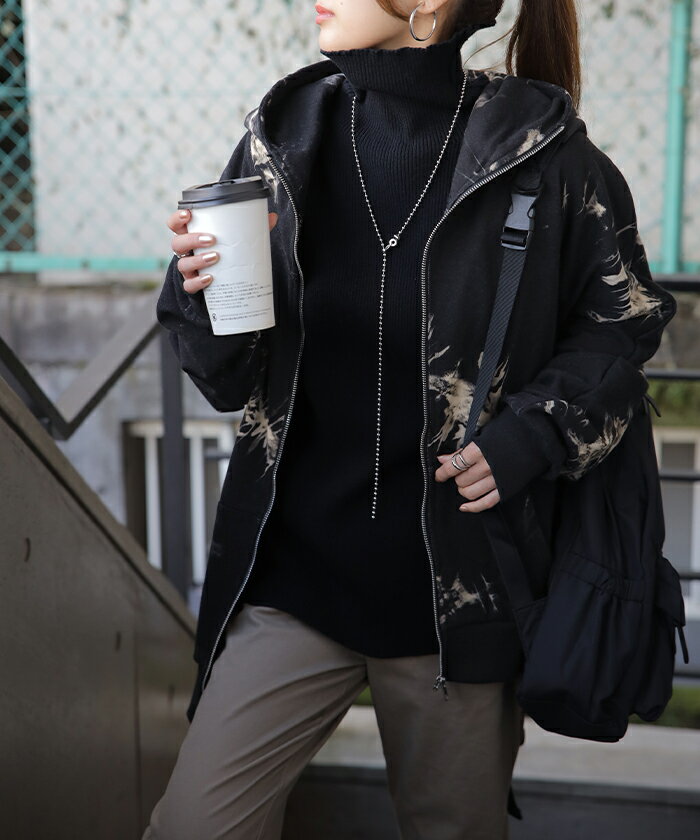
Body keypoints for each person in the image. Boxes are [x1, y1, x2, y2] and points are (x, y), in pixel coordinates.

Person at [143, 1, 677, 838]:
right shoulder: (283, 137)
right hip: (290, 583)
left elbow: (624, 324)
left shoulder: (542, 157)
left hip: (454, 603)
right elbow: (224, 378)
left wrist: (531, 435)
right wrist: (201, 295)